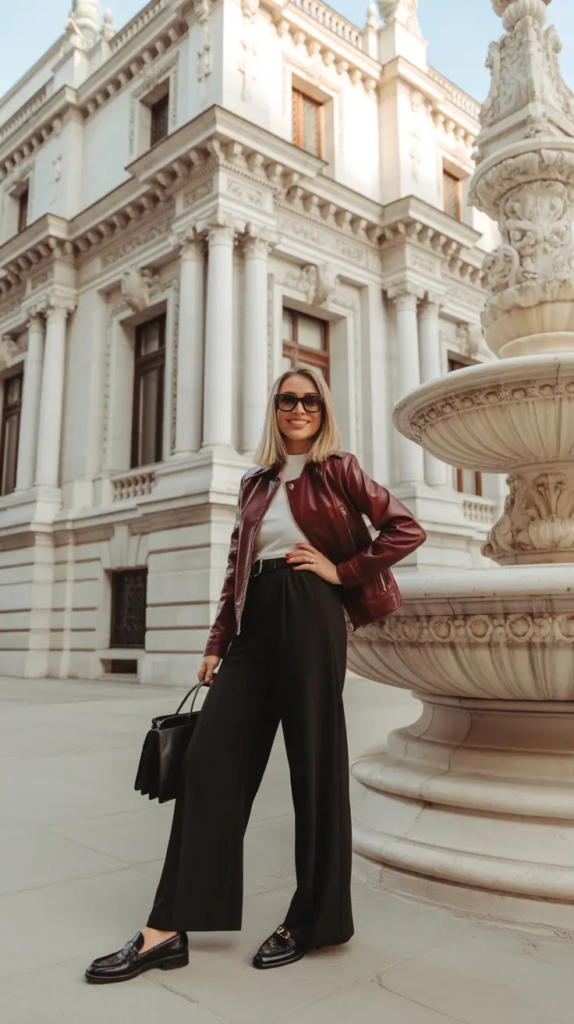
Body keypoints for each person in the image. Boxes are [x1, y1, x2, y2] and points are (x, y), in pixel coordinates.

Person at [85, 366, 426, 983]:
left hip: (309, 609)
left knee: (314, 767)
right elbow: (235, 568)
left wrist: (343, 571)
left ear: (323, 411)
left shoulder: (339, 469)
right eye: (287, 400)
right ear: (274, 409)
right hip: (253, 624)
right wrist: (218, 641)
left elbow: (406, 528)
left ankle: (314, 920)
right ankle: (168, 928)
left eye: (310, 401)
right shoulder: (254, 483)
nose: (298, 409)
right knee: (206, 762)